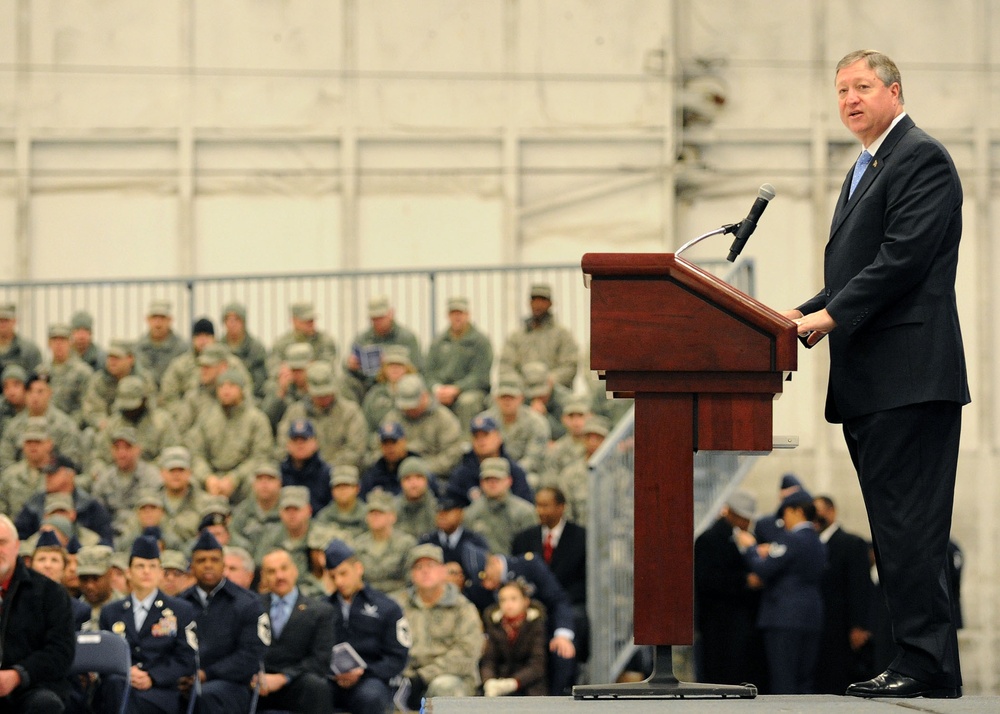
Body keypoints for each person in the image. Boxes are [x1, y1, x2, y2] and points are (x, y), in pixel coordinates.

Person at [784, 49, 968, 700]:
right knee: (895, 531)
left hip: (910, 376)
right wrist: (797, 313)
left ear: (895, 90)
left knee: (911, 529)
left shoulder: (920, 157)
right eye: (840, 90)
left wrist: (828, 316)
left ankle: (922, 663)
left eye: (862, 86)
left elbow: (902, 258)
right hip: (876, 382)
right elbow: (853, 273)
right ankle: (920, 665)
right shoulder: (867, 166)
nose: (850, 99)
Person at [735, 490, 825, 695]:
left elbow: (764, 569)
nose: (784, 521)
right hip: (811, 616)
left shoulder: (792, 539)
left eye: (785, 514)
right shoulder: (818, 542)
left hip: (784, 617)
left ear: (796, 511)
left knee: (784, 680)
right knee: (804, 680)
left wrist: (750, 548)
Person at [96, 535, 197, 714]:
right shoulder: (111, 612)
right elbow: (104, 658)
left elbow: (187, 658)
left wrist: (153, 677)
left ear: (160, 572)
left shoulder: (181, 610)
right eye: (140, 566)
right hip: (120, 686)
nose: (146, 572)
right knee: (115, 686)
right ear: (129, 572)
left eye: (152, 566)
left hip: (160, 692)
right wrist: (126, 672)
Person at [178, 530, 267, 714]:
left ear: (223, 564)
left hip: (230, 686)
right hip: (183, 680)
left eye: (214, 560)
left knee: (206, 695)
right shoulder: (179, 604)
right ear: (191, 567)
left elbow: (250, 656)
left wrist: (206, 674)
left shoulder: (247, 603)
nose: (208, 565)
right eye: (201, 560)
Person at [0, 514, 75, 713]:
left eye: (2, 542)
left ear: (16, 546)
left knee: (44, 704)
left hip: (33, 687)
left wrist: (18, 675)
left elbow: (61, 651)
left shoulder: (50, 593)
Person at [325, 539, 410, 713]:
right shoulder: (322, 608)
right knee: (312, 690)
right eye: (333, 576)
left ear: (358, 568)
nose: (339, 581)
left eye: (343, 573)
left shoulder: (387, 607)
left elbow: (398, 657)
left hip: (371, 678)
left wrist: (364, 672)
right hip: (331, 678)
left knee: (370, 696)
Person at [393, 543, 483, 701]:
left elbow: (466, 654)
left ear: (443, 571)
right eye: (418, 567)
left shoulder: (462, 608)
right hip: (406, 677)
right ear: (412, 575)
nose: (425, 571)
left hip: (453, 677)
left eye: (431, 565)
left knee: (444, 688)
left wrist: (422, 677)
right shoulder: (398, 606)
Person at [693, 489, 764, 687]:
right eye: (743, 518)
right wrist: (744, 582)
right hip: (718, 623)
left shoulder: (750, 538)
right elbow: (706, 579)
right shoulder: (709, 540)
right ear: (730, 514)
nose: (746, 523)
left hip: (743, 622)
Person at [255, 548, 336, 714]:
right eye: (272, 571)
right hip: (258, 681)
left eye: (284, 568)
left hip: (298, 681)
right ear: (263, 577)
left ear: (295, 570)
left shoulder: (320, 611)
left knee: (316, 686)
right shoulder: (251, 608)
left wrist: (283, 677)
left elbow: (320, 659)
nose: (279, 576)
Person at [511, 485, 588, 660]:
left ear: (561, 507)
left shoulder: (581, 537)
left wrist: (560, 600)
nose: (540, 511)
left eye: (545, 506)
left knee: (573, 619)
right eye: (537, 505)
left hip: (569, 601)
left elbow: (583, 579)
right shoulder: (523, 538)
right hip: (534, 600)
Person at [813, 495, 876, 694]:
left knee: (839, 679)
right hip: (817, 626)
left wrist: (859, 625)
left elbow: (860, 587)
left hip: (841, 626)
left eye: (818, 511)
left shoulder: (852, 543)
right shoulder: (810, 544)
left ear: (831, 511)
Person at [187, 368, 273, 504]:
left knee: (256, 482)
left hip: (242, 479)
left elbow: (260, 456)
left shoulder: (256, 419)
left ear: (242, 390)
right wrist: (208, 477)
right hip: (212, 477)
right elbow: (196, 453)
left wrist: (234, 478)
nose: (226, 391)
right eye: (221, 386)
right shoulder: (206, 418)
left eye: (231, 386)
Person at [276, 362, 368, 469]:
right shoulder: (295, 412)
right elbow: (282, 446)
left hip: (339, 473)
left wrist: (326, 469)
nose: (323, 398)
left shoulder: (350, 412)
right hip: (302, 471)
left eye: (326, 393)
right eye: (318, 394)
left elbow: (356, 450)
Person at [425, 296, 493, 429]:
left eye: (460, 313)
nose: (457, 317)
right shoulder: (438, 342)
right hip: (442, 391)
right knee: (426, 402)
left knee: (467, 402)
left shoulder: (480, 341)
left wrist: (457, 388)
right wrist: (437, 388)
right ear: (447, 315)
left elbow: (480, 376)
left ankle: (466, 442)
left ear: (467, 314)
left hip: (471, 391)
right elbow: (428, 372)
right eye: (453, 313)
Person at [382, 374, 465, 476]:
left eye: (413, 405)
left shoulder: (443, 418)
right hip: (395, 473)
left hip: (434, 475)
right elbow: (378, 448)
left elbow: (453, 454)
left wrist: (419, 469)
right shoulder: (393, 418)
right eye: (405, 405)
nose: (409, 409)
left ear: (424, 396)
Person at [343, 295, 423, 403]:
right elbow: (347, 368)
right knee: (345, 382)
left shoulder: (407, 338)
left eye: (380, 317)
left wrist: (390, 366)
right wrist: (350, 365)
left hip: (399, 385)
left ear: (391, 313)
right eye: (374, 319)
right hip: (368, 385)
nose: (377, 322)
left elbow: (416, 367)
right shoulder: (362, 339)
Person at [499, 283, 578, 389]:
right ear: (529, 303)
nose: (538, 305)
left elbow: (569, 366)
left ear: (551, 303)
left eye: (542, 300)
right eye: (534, 300)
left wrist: (548, 381)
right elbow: (505, 365)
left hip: (554, 394)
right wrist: (521, 383)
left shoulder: (562, 335)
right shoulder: (516, 336)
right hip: (522, 393)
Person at [480, 580, 549, 697]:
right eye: (503, 600)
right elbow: (488, 660)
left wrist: (514, 683)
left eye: (513, 599)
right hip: (499, 685)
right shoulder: (494, 625)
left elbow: (537, 665)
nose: (508, 604)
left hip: (530, 686)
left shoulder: (536, 625)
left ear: (525, 601)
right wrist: (489, 681)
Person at [447, 414, 533, 504]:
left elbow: (525, 506)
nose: (481, 441)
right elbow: (451, 507)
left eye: (485, 435)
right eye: (476, 437)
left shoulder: (514, 471)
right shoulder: (462, 474)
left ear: (498, 437)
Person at [463, 457, 538, 555]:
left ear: (509, 481)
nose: (492, 484)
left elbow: (533, 549)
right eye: (488, 479)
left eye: (497, 479)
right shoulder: (471, 512)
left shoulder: (525, 512)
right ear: (481, 483)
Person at [352, 488, 416, 594]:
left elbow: (410, 579)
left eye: (380, 513)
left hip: (399, 596)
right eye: (371, 513)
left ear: (393, 516)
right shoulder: (357, 544)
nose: (375, 517)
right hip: (366, 596)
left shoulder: (406, 543)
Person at [43, 323, 93, 428]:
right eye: (55, 340)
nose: (59, 344)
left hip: (73, 426)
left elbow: (87, 406)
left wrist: (67, 425)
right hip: (45, 426)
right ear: (48, 343)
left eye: (63, 340)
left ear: (71, 343)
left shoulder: (83, 372)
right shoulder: (41, 372)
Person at [220, 302, 269, 400]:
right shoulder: (220, 348)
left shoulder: (255, 348)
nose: (232, 324)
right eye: (228, 319)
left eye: (236, 319)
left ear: (243, 322)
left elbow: (260, 381)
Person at [135, 299, 189, 387]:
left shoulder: (181, 348)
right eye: (154, 318)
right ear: (147, 319)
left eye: (162, 318)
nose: (158, 323)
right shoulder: (139, 347)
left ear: (170, 320)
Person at [394, 456, 439, 540]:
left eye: (419, 477)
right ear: (401, 483)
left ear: (427, 480)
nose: (413, 484)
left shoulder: (437, 508)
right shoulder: (392, 510)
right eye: (408, 478)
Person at [0, 302, 43, 376]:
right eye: (0, 320)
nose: (2, 324)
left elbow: (37, 380)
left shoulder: (29, 350)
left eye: (6, 320)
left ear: (14, 321)